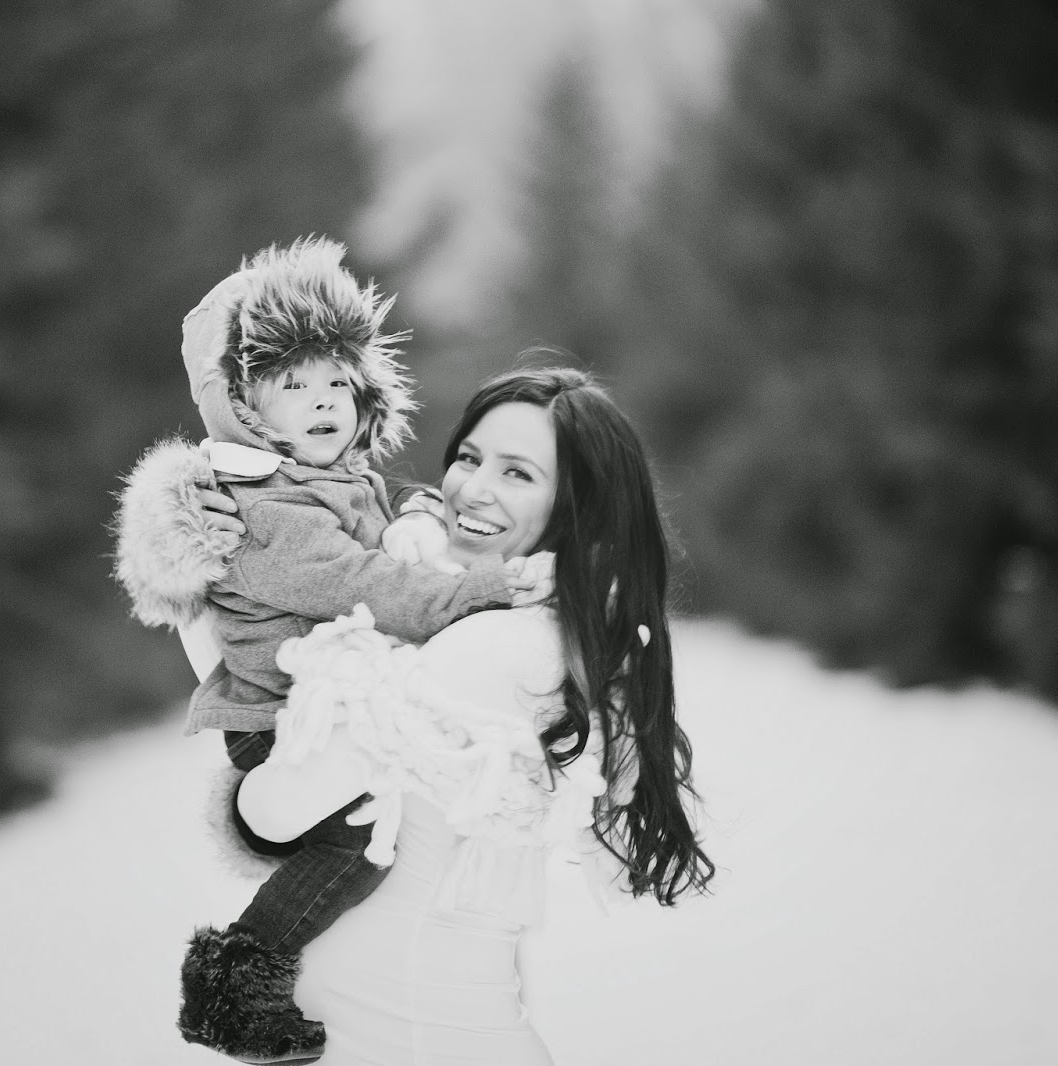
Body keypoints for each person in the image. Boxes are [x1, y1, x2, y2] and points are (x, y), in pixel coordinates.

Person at [158, 367, 716, 1064]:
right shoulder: (517, 622)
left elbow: (273, 815)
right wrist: (214, 555)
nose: (472, 489)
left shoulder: (491, 647)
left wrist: (232, 570)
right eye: (469, 458)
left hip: (404, 1037)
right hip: (408, 1030)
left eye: (518, 474)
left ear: (578, 507)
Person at [113, 238, 546, 1062]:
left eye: (338, 382)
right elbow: (360, 582)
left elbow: (387, 515)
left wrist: (418, 513)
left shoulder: (332, 477)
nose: (324, 402)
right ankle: (235, 981)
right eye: (293, 385)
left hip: (329, 700)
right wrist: (474, 591)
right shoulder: (262, 509)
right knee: (358, 845)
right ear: (243, 405)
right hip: (276, 718)